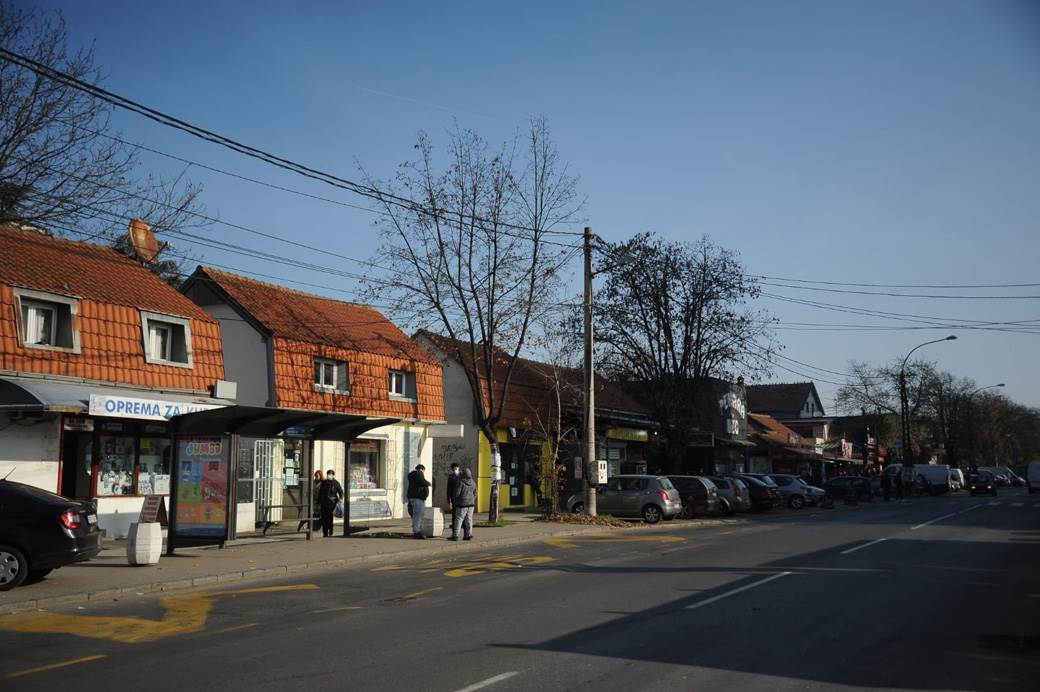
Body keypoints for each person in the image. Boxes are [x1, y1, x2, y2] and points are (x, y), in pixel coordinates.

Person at [451, 467, 477, 541]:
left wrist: (456, 500)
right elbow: (475, 493)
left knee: (459, 519)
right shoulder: (473, 482)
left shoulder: (461, 482)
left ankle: (455, 535)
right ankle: (468, 535)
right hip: (471, 504)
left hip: (461, 504)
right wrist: (472, 499)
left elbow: (457, 493)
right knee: (469, 520)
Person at [407, 463, 431, 539]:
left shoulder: (411, 475)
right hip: (418, 497)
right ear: (422, 469)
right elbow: (423, 482)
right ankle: (417, 531)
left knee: (415, 514)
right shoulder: (419, 473)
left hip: (412, 497)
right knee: (418, 515)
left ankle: (416, 529)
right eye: (423, 471)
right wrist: (429, 483)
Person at [317, 469, 343, 537]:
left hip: (332, 504)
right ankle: (325, 533)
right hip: (324, 503)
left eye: (331, 474)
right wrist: (318, 503)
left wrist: (341, 498)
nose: (329, 476)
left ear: (333, 475)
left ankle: (330, 530)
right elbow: (320, 493)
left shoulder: (336, 483)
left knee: (330, 518)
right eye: (328, 474)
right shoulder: (324, 483)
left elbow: (340, 491)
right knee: (324, 518)